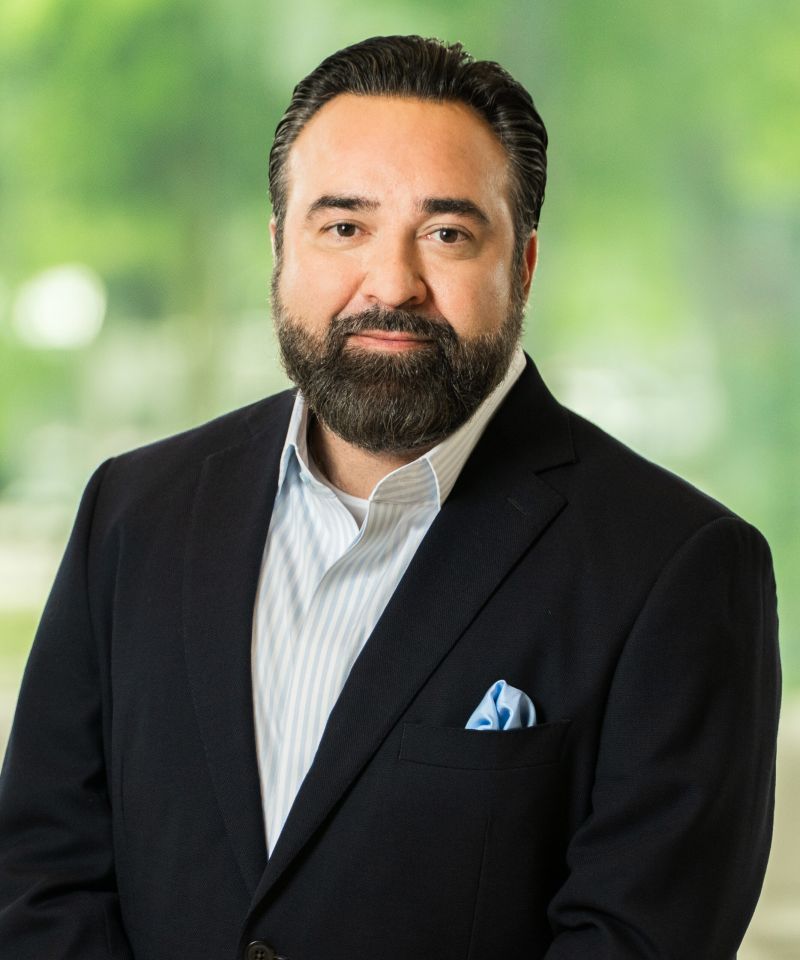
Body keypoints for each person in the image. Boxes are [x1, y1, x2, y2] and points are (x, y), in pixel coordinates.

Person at [0, 35, 780, 960]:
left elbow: (636, 939)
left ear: (524, 266)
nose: (393, 284)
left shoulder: (680, 567)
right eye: (344, 227)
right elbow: (40, 876)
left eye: (448, 234)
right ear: (279, 246)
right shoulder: (134, 511)